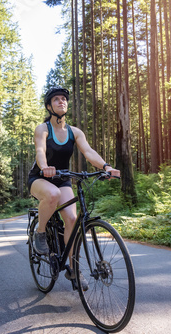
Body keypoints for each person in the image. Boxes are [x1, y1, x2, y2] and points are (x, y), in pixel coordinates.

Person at [28, 87, 120, 290]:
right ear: (49, 106)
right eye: (57, 99)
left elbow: (88, 151)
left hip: (63, 178)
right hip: (40, 178)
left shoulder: (74, 132)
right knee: (52, 195)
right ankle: (41, 232)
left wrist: (106, 167)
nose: (62, 102)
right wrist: (45, 168)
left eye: (64, 99)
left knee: (71, 219)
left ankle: (73, 269)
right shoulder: (42, 129)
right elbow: (40, 150)